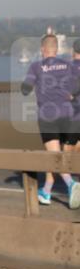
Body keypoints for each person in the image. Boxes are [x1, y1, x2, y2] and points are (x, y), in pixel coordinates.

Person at [22, 33, 79, 208]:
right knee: (61, 154)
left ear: (42, 49)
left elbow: (25, 89)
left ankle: (71, 184)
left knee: (54, 155)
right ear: (57, 49)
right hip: (68, 115)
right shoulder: (68, 65)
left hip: (48, 116)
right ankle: (46, 191)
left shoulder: (36, 66)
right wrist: (71, 94)